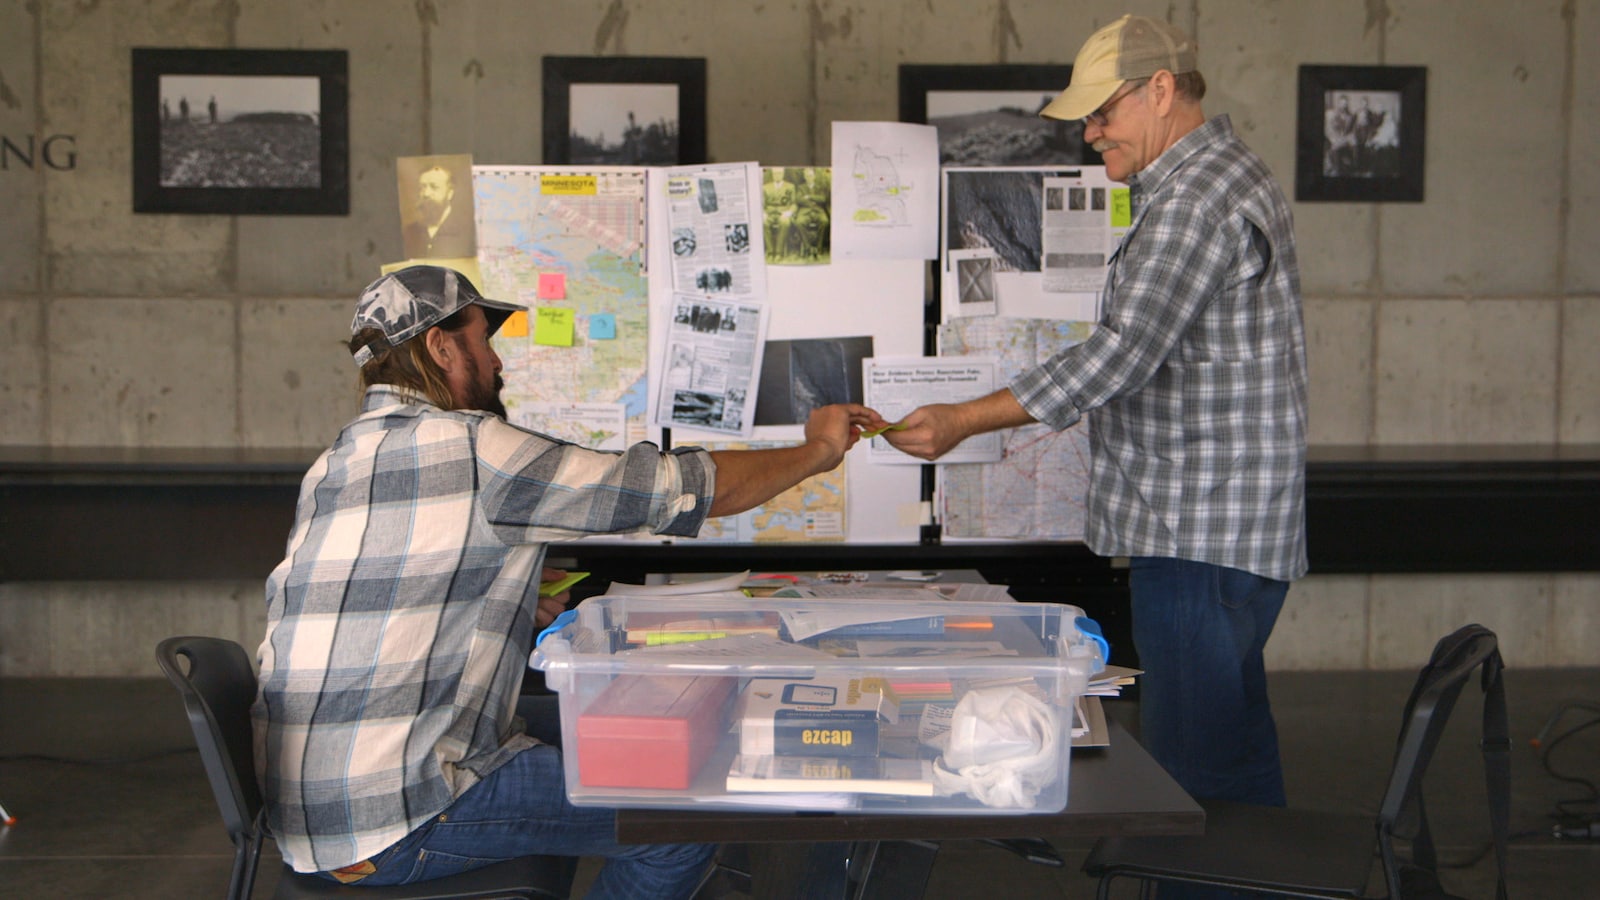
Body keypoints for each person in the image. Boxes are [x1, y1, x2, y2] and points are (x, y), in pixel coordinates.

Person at [253, 265, 876, 897]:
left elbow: (376, 599)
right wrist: (820, 450)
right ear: (443, 348)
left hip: (312, 812)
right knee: (681, 818)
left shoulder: (336, 461)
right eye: (483, 342)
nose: (499, 364)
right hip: (400, 814)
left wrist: (505, 600)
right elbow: (682, 489)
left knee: (599, 728)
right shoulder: (477, 450)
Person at [871, 11, 1307, 826]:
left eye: (1103, 113)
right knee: (1234, 758)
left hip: (1197, 533)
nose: (1092, 133)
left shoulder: (1193, 201)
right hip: (1226, 529)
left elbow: (1120, 354)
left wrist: (967, 418)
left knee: (1190, 784)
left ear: (1163, 91)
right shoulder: (1220, 178)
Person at [402, 164, 476, 259]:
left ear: (450, 193)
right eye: (422, 187)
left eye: (434, 187)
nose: (426, 194)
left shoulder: (469, 230)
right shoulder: (409, 231)